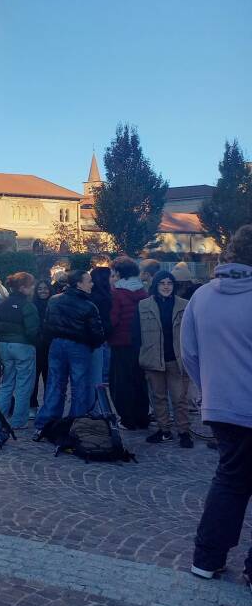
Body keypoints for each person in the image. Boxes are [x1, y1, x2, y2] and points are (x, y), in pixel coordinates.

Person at [183, 225, 252, 587]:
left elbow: (189, 353)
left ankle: (206, 558)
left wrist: (210, 388)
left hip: (221, 405)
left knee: (229, 481)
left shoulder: (202, 296)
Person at [34, 270, 104, 436]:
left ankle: (45, 423)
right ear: (78, 284)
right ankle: (76, 423)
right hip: (79, 347)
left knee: (54, 384)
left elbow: (47, 325)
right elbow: (97, 333)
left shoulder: (54, 300)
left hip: (57, 345)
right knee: (79, 386)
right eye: (89, 281)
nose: (92, 284)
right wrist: (93, 344)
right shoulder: (89, 306)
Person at [136, 271, 192, 447]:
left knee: (179, 398)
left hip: (176, 359)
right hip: (153, 358)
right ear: (156, 285)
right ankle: (164, 429)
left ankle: (184, 431)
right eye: (162, 283)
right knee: (158, 397)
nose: (166, 286)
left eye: (169, 283)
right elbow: (135, 333)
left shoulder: (185, 305)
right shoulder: (143, 305)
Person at [0, 272, 40, 429]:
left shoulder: (2, 304)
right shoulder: (28, 305)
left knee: (6, 383)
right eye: (31, 285)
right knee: (23, 385)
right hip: (23, 346)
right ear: (23, 288)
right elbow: (33, 331)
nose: (33, 288)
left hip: (5, 345)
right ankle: (19, 421)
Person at [108, 256, 150, 430]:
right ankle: (142, 417)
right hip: (141, 343)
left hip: (121, 343)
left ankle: (127, 419)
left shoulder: (116, 294)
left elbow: (113, 320)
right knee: (140, 381)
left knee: (121, 382)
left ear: (118, 273)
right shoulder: (143, 292)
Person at [89, 256, 113, 388]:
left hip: (98, 336)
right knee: (104, 372)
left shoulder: (92, 296)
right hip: (103, 336)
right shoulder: (104, 298)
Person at [29, 280, 53, 413]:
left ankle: (49, 406)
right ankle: (32, 406)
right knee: (34, 378)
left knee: (49, 378)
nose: (43, 291)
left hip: (50, 347)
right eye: (40, 289)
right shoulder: (32, 305)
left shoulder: (54, 304)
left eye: (45, 288)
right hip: (36, 346)